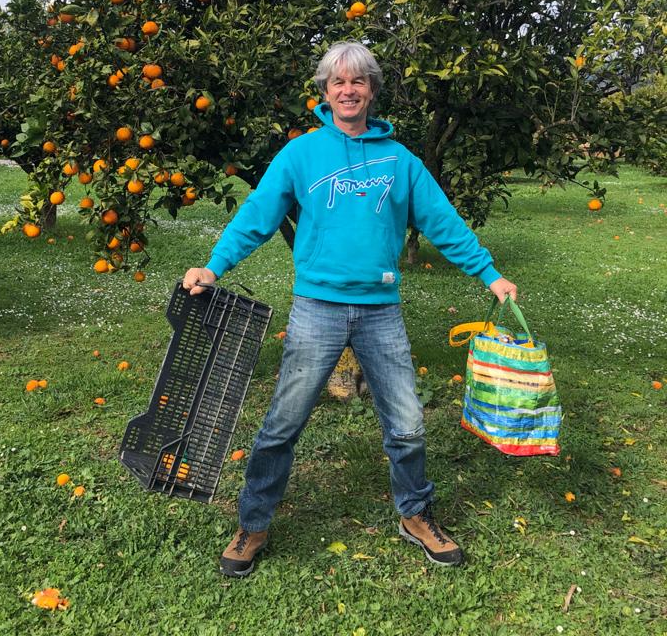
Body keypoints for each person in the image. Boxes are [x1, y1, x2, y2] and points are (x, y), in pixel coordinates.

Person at [182, 41, 517, 577]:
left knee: (407, 425)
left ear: (372, 92)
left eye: (357, 82)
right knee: (282, 425)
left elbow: (443, 222)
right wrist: (213, 267)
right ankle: (254, 523)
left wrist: (490, 274)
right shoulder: (300, 154)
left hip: (381, 310)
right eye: (337, 82)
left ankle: (415, 515)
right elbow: (257, 216)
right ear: (325, 91)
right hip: (317, 308)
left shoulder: (399, 160)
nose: (347, 91)